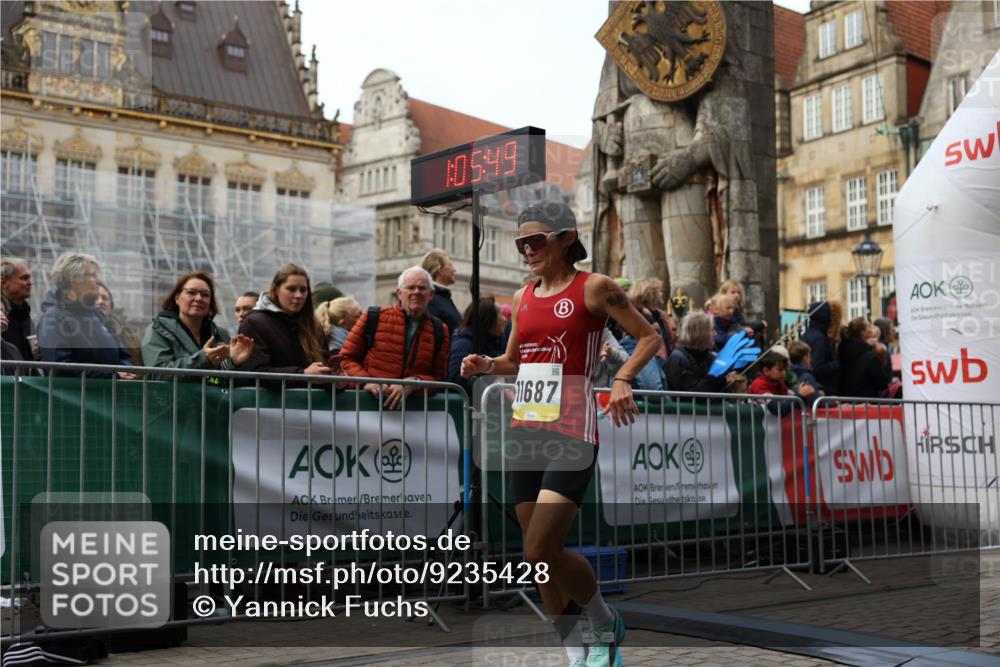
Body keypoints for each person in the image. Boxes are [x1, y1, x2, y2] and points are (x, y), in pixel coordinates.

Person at [460, 201, 660, 667]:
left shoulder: (595, 287)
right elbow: (515, 361)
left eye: (535, 241)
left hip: (572, 430)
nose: (527, 251)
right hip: (526, 430)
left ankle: (602, 620)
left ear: (567, 237)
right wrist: (487, 364)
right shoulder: (522, 296)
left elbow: (649, 337)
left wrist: (623, 378)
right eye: (520, 244)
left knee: (539, 546)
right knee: (540, 556)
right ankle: (574, 650)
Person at [341, 267, 449, 409]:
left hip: (412, 414)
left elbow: (439, 378)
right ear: (399, 293)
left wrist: (415, 383)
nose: (416, 292)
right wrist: (366, 382)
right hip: (367, 409)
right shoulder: (373, 317)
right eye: (411, 287)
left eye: (422, 288)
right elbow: (345, 359)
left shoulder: (440, 329)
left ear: (431, 294)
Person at [36, 252, 135, 379]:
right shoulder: (53, 318)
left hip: (112, 390)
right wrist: (112, 376)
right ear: (74, 280)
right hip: (76, 392)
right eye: (93, 275)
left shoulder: (99, 316)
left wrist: (126, 371)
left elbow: (123, 354)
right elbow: (60, 369)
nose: (98, 281)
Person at [141, 272, 253, 381]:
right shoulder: (158, 329)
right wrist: (203, 359)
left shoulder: (220, 334)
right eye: (191, 292)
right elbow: (158, 374)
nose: (199, 298)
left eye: (205, 295)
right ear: (177, 298)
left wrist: (235, 364)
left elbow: (224, 381)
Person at [238, 264, 333, 388]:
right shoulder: (254, 322)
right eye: (291, 289)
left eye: (303, 290)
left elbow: (322, 371)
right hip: (269, 400)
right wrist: (303, 374)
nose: (298, 295)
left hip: (310, 400)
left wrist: (336, 382)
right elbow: (256, 373)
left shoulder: (314, 326)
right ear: (276, 289)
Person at [447, 296, 505, 396]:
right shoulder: (463, 345)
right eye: (501, 314)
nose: (505, 319)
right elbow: (456, 378)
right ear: (489, 319)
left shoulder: (495, 343)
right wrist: (493, 393)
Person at [666, 312, 729, 393]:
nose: (715, 334)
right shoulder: (677, 359)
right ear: (700, 333)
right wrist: (717, 381)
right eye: (711, 330)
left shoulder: (709, 356)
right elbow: (690, 392)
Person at [838, 317, 891, 400]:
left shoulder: (843, 351)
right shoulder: (870, 356)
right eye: (869, 326)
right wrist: (882, 356)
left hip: (847, 402)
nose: (872, 328)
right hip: (867, 403)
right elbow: (883, 383)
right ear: (863, 333)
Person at [95, 281, 144, 367]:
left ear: (111, 306)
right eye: (95, 298)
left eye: (104, 298)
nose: (100, 301)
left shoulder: (126, 334)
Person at [749, 351, 816, 414]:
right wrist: (800, 395)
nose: (784, 373)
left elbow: (796, 403)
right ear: (766, 370)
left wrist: (805, 395)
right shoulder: (758, 385)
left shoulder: (779, 383)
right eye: (780, 370)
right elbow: (779, 409)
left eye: (785, 369)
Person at [800, 301, 842, 396]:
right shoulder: (819, 338)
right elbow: (817, 367)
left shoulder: (808, 334)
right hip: (822, 388)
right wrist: (835, 364)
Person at [1, 257, 35, 362]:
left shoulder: (24, 315)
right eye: (24, 278)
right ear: (3, 282)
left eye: (30, 278)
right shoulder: (2, 314)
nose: (30, 283)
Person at [421, 249, 461, 333]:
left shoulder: (443, 297)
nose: (454, 270)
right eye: (450, 265)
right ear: (439, 270)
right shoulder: (430, 300)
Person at [788, 340, 823, 407]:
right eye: (809, 356)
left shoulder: (788, 375)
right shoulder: (807, 376)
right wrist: (832, 401)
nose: (811, 359)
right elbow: (815, 402)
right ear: (805, 358)